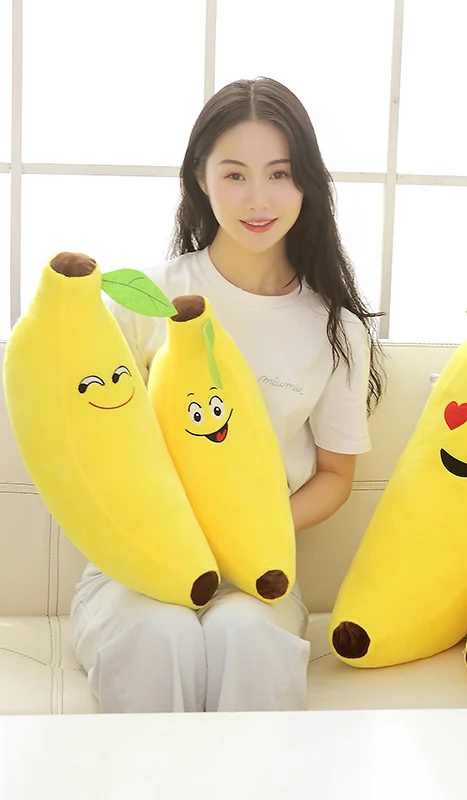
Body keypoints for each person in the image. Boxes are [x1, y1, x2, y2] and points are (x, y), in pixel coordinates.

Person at [70, 77, 384, 714]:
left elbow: (334, 476)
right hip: (136, 563)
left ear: (307, 183)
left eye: (280, 173)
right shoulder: (142, 301)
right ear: (200, 178)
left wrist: (244, 535)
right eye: (234, 174)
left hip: (257, 570)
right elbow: (93, 446)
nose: (258, 199)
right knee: (161, 637)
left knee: (246, 637)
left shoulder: (337, 328)